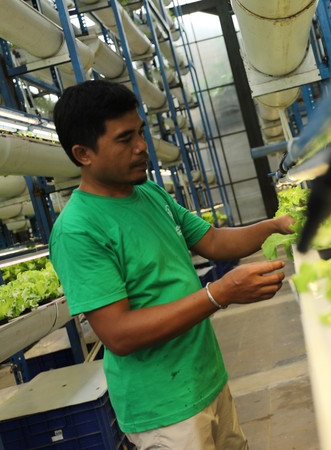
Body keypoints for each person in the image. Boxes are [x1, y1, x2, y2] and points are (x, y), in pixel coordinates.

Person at [49, 79, 295, 450]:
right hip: (163, 408)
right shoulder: (78, 230)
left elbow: (212, 241)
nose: (141, 147)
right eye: (124, 139)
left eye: (141, 133)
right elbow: (119, 334)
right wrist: (219, 294)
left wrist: (276, 224)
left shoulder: (148, 193)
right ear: (83, 154)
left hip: (204, 378)